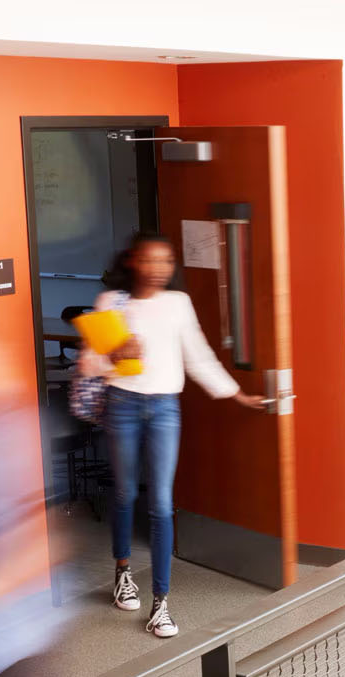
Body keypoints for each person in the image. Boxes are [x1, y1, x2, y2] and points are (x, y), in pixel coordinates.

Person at [83, 233, 263, 637]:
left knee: (162, 503)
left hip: (165, 408)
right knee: (125, 493)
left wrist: (235, 393)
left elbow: (198, 355)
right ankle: (123, 572)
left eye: (167, 261)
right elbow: (90, 364)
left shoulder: (178, 304)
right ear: (133, 262)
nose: (160, 268)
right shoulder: (111, 303)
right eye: (151, 260)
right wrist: (112, 356)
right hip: (122, 403)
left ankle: (161, 603)